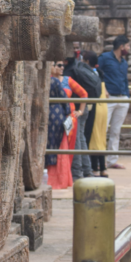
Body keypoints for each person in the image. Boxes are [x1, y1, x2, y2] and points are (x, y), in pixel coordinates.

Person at [47, 61, 88, 189]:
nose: (62, 67)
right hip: (53, 118)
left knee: (72, 146)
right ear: (51, 66)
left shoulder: (67, 80)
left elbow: (84, 94)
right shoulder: (46, 80)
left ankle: (76, 174)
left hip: (69, 118)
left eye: (63, 65)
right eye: (59, 65)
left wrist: (80, 111)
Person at [67, 52, 103, 179]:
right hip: (81, 108)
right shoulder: (80, 67)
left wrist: (80, 110)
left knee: (77, 139)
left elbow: (83, 93)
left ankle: (78, 172)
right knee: (80, 138)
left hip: (76, 109)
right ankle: (86, 170)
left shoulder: (71, 71)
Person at [99, 35, 131, 170]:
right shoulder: (105, 58)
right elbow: (97, 72)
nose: (129, 49)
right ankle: (99, 160)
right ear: (121, 46)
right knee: (103, 128)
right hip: (109, 97)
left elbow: (125, 80)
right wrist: (103, 89)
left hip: (123, 97)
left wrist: (127, 96)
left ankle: (112, 160)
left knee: (116, 131)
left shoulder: (124, 62)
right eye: (128, 46)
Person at [82, 50, 108, 176]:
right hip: (104, 107)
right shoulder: (99, 73)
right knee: (101, 138)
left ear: (87, 62)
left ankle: (95, 169)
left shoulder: (88, 75)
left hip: (95, 107)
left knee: (93, 138)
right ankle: (103, 168)